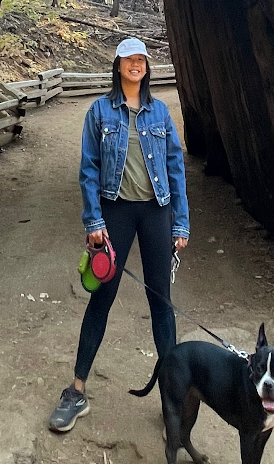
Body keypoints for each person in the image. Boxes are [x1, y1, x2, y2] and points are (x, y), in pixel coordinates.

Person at [48, 36, 190, 432]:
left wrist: (181, 223)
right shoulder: (99, 112)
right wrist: (94, 222)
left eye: (141, 59)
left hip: (156, 212)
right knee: (102, 297)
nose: (135, 64)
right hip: (115, 213)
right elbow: (88, 169)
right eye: (128, 59)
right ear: (117, 65)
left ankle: (172, 399)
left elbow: (176, 169)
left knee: (161, 299)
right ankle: (76, 391)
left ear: (147, 67)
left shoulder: (160, 114)